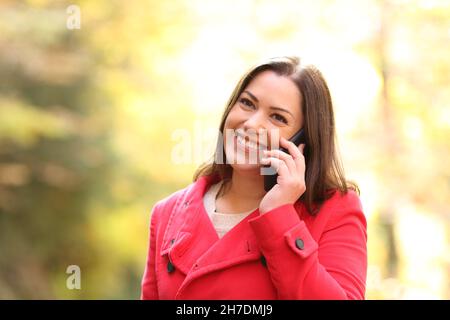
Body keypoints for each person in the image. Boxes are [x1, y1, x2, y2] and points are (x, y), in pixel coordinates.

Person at [140, 56, 367, 300]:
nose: (252, 124)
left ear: (303, 140)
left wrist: (279, 216)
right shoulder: (167, 213)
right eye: (247, 103)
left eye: (278, 118)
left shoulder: (335, 210)